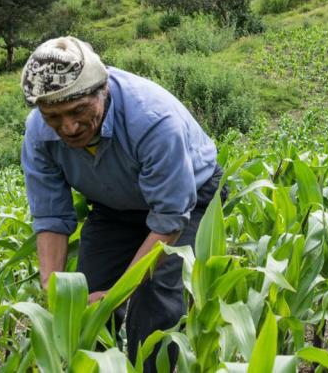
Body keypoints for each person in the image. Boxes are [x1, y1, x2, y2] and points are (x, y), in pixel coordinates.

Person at [20, 36, 226, 370]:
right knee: (83, 302)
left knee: (154, 303)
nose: (68, 128)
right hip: (113, 207)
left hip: (188, 201)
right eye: (53, 117)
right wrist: (53, 289)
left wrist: (119, 293)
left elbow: (169, 218)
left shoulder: (152, 120)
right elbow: (50, 217)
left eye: (78, 111)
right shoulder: (39, 135)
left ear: (101, 91)